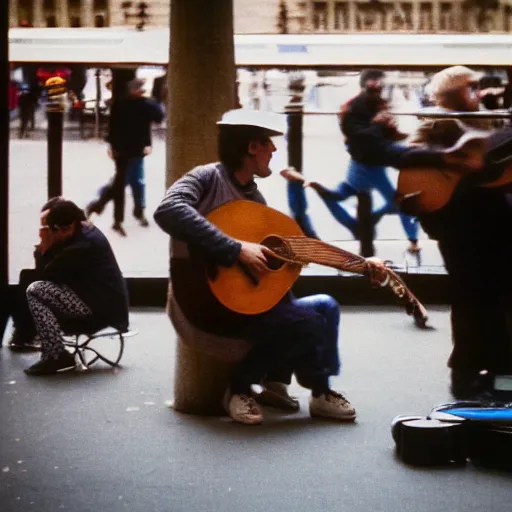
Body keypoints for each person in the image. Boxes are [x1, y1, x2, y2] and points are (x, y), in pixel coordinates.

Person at [154, 108, 390, 426]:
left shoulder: (255, 198)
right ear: (252, 147)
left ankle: (318, 392)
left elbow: (292, 251)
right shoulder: (206, 178)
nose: (274, 150)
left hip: (243, 300)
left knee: (326, 307)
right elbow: (169, 210)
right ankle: (239, 389)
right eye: (269, 143)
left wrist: (362, 265)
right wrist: (235, 248)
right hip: (204, 298)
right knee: (305, 321)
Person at [408, 65, 512, 399]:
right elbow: (414, 164)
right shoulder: (439, 125)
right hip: (462, 222)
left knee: (491, 296)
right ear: (452, 93)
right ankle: (470, 373)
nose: (480, 92)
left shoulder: (492, 122)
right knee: (472, 295)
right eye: (472, 87)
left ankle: (495, 372)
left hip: (493, 220)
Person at [282, 69, 421, 255]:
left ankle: (412, 239)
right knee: (395, 202)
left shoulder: (372, 105)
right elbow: (358, 137)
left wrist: (389, 128)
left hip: (366, 165)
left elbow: (366, 138)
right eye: (374, 86)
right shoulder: (358, 108)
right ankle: (412, 239)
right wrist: (382, 127)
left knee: (341, 197)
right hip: (368, 165)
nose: (378, 89)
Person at [20, 197, 129, 376]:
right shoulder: (83, 233)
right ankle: (38, 341)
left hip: (99, 311)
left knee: (36, 290)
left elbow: (47, 275)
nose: (50, 233)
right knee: (33, 283)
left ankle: (55, 355)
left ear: (67, 227)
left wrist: (43, 249)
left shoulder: (82, 245)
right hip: (98, 303)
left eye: (52, 230)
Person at [86, 78, 164, 236]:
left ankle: (103, 206)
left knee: (132, 181)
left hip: (135, 149)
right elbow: (113, 126)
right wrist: (112, 146)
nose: (140, 92)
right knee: (126, 182)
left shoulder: (143, 104)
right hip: (124, 150)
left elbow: (157, 117)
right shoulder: (124, 104)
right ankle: (112, 210)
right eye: (138, 89)